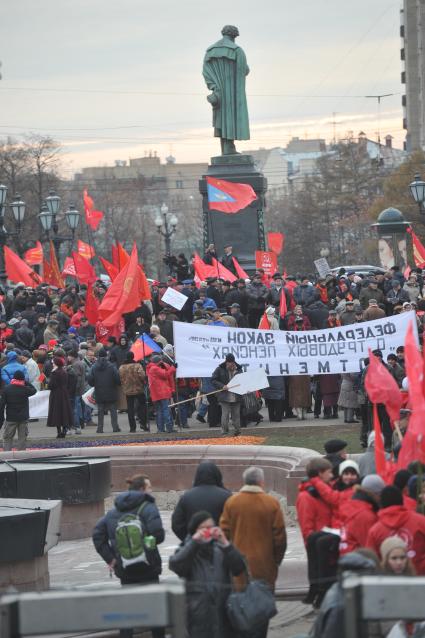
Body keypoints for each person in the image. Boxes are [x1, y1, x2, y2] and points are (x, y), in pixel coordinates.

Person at [92, 473, 165, 638]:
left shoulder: (112, 513)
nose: (151, 490)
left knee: (128, 610)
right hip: (148, 568)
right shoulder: (148, 507)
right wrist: (147, 549)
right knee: (155, 609)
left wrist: (112, 559)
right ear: (141, 490)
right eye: (149, 487)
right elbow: (158, 535)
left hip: (125, 569)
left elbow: (97, 536)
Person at [220, 466, 286, 638]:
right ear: (261, 481)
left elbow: (224, 533)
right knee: (262, 605)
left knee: (242, 604)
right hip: (264, 565)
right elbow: (279, 537)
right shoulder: (271, 503)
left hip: (239, 566)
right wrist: (275, 561)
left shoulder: (232, 502)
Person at [169, 510, 246, 638]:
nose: (208, 531)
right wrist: (194, 542)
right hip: (198, 616)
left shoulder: (221, 549)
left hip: (224, 615)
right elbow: (176, 565)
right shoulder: (188, 550)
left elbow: (239, 568)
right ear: (195, 530)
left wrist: (226, 544)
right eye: (203, 528)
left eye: (211, 527)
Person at [203, 25, 250, 155]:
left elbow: (205, 72)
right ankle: (229, 148)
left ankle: (227, 148)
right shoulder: (237, 50)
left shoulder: (210, 51)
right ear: (235, 36)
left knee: (222, 119)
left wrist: (214, 87)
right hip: (233, 92)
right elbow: (244, 70)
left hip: (218, 92)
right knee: (231, 117)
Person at [366, 485, 425, 574]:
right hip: (421, 578)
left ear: (381, 504)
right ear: (402, 501)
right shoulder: (421, 521)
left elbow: (371, 560)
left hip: (389, 582)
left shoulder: (375, 530)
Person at [172, 461, 231, 541]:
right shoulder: (227, 496)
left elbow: (176, 524)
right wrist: (224, 540)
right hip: (219, 545)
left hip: (195, 546)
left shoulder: (186, 496)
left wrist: (189, 539)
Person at [0, 370, 37, 451]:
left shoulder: (6, 389)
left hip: (11, 417)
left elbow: (2, 405)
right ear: (22, 379)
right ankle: (21, 456)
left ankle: (7, 455)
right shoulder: (25, 389)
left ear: (13, 378)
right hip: (23, 417)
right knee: (22, 438)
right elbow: (34, 390)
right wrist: (26, 382)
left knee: (8, 438)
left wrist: (1, 417)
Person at [87, 349, 121, 434]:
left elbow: (90, 378)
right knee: (113, 410)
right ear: (106, 356)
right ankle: (115, 427)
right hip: (111, 390)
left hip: (99, 391)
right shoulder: (111, 366)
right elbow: (117, 378)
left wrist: (93, 385)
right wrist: (117, 384)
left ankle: (100, 428)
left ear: (98, 356)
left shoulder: (94, 366)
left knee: (100, 410)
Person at [211, 353, 243, 436]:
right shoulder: (219, 369)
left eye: (232, 363)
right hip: (224, 396)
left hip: (236, 396)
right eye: (229, 363)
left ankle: (238, 431)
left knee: (236, 415)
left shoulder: (239, 369)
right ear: (226, 362)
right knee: (225, 415)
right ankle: (224, 432)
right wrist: (222, 386)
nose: (230, 364)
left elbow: (243, 381)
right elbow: (213, 380)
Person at [119, 351, 148, 432]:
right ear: (133, 357)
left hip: (127, 390)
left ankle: (132, 428)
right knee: (142, 406)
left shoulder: (121, 367)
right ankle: (143, 424)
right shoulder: (137, 366)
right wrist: (144, 382)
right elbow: (142, 376)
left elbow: (120, 378)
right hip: (138, 389)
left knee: (130, 408)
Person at [146, 355, 176, 433]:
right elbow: (166, 374)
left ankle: (160, 429)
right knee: (166, 410)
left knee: (159, 411)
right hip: (162, 393)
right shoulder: (155, 368)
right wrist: (173, 368)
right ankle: (169, 428)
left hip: (156, 394)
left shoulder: (150, 368)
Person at [46, 356, 74, 439]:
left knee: (57, 413)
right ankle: (64, 430)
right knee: (64, 412)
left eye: (53, 362)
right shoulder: (64, 372)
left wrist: (47, 382)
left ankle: (59, 431)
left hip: (56, 394)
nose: (52, 364)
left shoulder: (55, 373)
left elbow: (51, 385)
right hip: (64, 393)